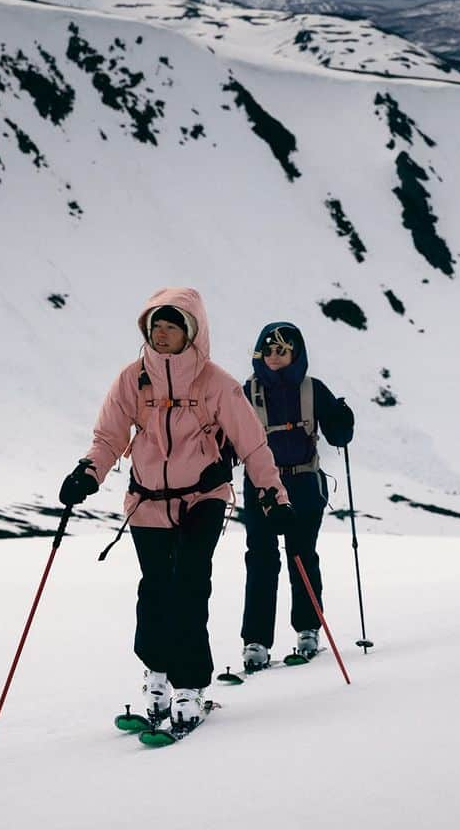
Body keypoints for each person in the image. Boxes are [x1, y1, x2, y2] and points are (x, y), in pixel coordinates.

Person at [58, 287, 292, 731]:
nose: (162, 333)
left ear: (192, 332)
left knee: (188, 584)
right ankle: (158, 675)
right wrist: (88, 474)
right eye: (156, 326)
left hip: (201, 500)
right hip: (147, 503)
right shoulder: (132, 378)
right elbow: (108, 437)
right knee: (154, 590)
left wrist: (273, 495)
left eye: (172, 325)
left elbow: (252, 443)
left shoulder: (215, 383)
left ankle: (189, 685)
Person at [240, 321, 354, 671]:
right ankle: (256, 640)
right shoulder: (246, 393)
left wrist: (341, 421)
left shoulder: (312, 390)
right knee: (261, 558)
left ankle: (307, 629)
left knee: (300, 554)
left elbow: (337, 434)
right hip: (263, 485)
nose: (275, 357)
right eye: (270, 350)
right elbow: (229, 435)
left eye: (283, 350)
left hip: (303, 482)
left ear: (295, 354)